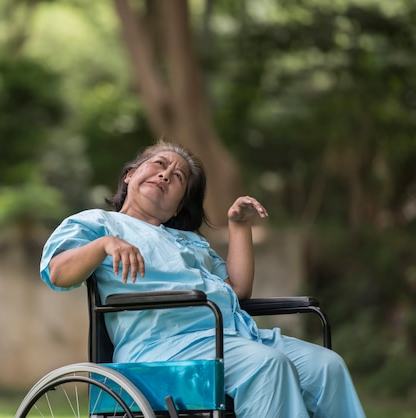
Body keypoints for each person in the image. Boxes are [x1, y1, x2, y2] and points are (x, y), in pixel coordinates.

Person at [40, 141, 365, 417]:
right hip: (164, 345)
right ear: (130, 175)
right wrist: (103, 244)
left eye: (177, 176)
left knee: (327, 366)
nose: (166, 174)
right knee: (267, 366)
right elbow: (58, 272)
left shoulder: (188, 240)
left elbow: (236, 289)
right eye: (158, 164)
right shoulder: (99, 222)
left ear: (179, 204)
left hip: (235, 336)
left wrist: (238, 226)